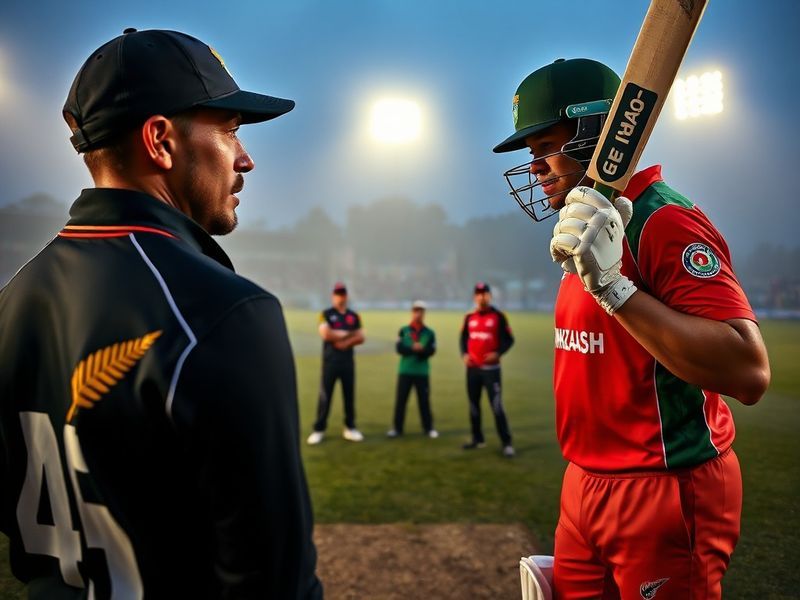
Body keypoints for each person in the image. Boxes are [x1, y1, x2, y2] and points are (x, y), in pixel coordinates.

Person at [0, 28, 322, 598]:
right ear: (160, 140)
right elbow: (273, 583)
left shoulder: (12, 300)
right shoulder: (225, 312)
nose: (245, 159)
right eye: (229, 131)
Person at [494, 57, 770, 598]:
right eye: (531, 154)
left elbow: (748, 370)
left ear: (603, 131)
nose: (535, 168)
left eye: (545, 146)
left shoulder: (663, 218)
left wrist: (618, 289)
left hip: (664, 487)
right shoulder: (586, 219)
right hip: (585, 484)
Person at [459, 282, 515, 457]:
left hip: (491, 370)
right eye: (478, 293)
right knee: (473, 406)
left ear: (490, 296)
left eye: (484, 293)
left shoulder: (499, 316)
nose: (481, 296)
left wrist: (498, 353)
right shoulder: (469, 317)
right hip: (473, 370)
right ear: (475, 297)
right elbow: (463, 338)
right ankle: (478, 439)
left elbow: (509, 340)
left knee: (496, 406)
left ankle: (507, 443)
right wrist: (464, 355)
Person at [307, 282, 365, 444]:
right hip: (330, 362)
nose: (340, 297)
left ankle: (350, 427)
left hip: (347, 362)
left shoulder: (354, 316)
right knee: (325, 396)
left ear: (346, 296)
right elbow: (326, 334)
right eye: (337, 294)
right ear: (333, 296)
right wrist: (349, 334)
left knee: (349, 396)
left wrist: (344, 341)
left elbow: (361, 337)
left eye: (342, 293)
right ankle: (319, 429)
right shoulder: (325, 314)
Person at [387, 300, 438, 439]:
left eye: (421, 311)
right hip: (405, 371)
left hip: (422, 372)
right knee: (401, 401)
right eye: (416, 310)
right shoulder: (404, 331)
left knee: (424, 401)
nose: (418, 313)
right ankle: (397, 428)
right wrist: (413, 348)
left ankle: (429, 428)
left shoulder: (429, 333)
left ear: (424, 313)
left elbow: (431, 351)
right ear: (412, 312)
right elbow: (399, 348)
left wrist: (420, 350)